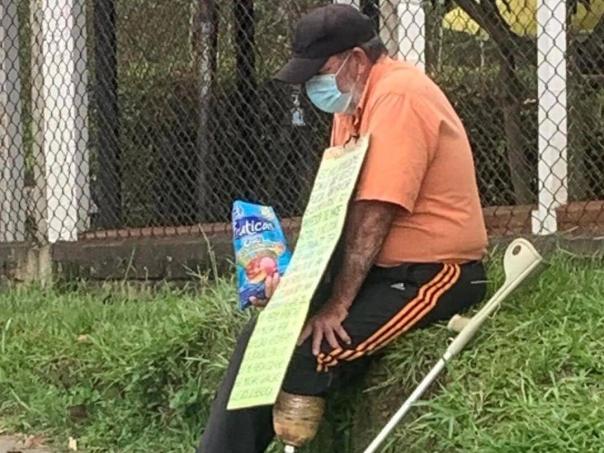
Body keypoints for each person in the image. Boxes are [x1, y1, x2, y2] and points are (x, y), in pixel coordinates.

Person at [198, 4, 488, 452]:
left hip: (432, 272)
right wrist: (294, 289)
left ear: (356, 60)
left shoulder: (398, 95)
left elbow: (374, 213)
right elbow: (334, 214)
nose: (313, 86)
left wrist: (336, 304)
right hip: (379, 271)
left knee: (305, 355)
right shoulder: (352, 105)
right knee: (261, 342)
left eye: (320, 72)